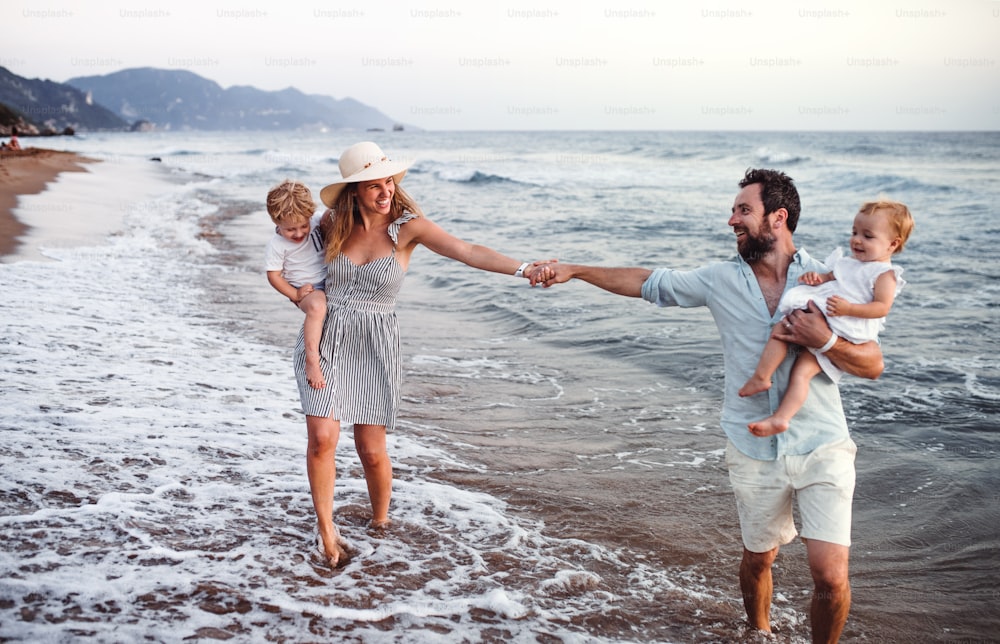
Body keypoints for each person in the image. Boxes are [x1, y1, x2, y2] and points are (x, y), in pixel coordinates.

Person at [529, 168, 884, 642]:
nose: (731, 219)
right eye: (734, 210)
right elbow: (647, 281)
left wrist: (826, 341)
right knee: (759, 560)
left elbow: (873, 363)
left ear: (777, 218)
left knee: (831, 577)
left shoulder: (828, 280)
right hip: (751, 443)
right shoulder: (719, 280)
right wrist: (576, 270)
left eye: (743, 210)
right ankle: (758, 633)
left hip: (823, 444)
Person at [298, 141, 549, 567]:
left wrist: (525, 268)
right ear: (353, 190)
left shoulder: (407, 227)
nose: (385, 192)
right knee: (322, 440)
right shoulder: (330, 223)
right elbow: (290, 261)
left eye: (389, 182)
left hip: (376, 343)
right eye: (374, 185)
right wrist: (299, 297)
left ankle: (380, 522)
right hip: (328, 339)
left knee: (370, 448)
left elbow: (467, 251)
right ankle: (326, 531)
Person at [740, 200, 913, 437]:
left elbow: (882, 307)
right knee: (790, 346)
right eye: (854, 232)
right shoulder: (850, 263)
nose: (857, 240)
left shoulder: (884, 274)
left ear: (893, 244)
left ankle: (770, 394)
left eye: (868, 236)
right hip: (832, 314)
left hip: (845, 323)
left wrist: (849, 308)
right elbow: (831, 277)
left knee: (790, 342)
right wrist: (817, 278)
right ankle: (775, 406)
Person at [265, 180, 328, 389]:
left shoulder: (317, 220)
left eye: (303, 226)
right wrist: (295, 293)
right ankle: (312, 360)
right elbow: (273, 275)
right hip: (308, 289)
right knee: (318, 307)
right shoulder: (277, 244)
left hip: (331, 279)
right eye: (291, 229)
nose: (300, 233)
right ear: (276, 222)